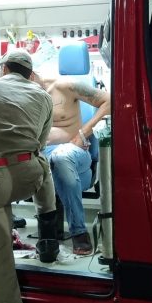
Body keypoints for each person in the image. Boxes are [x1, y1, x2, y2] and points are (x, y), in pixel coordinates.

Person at [0, 49, 59, 303]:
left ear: (4, 68)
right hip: (28, 179)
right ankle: (48, 227)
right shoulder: (43, 96)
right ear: (29, 75)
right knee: (42, 160)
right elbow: (40, 142)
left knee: (1, 265)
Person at [34, 72, 110, 255]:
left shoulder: (66, 85)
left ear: (32, 75)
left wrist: (83, 133)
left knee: (60, 156)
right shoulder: (22, 95)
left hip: (72, 153)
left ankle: (79, 232)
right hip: (39, 153)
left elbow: (109, 101)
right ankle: (42, 235)